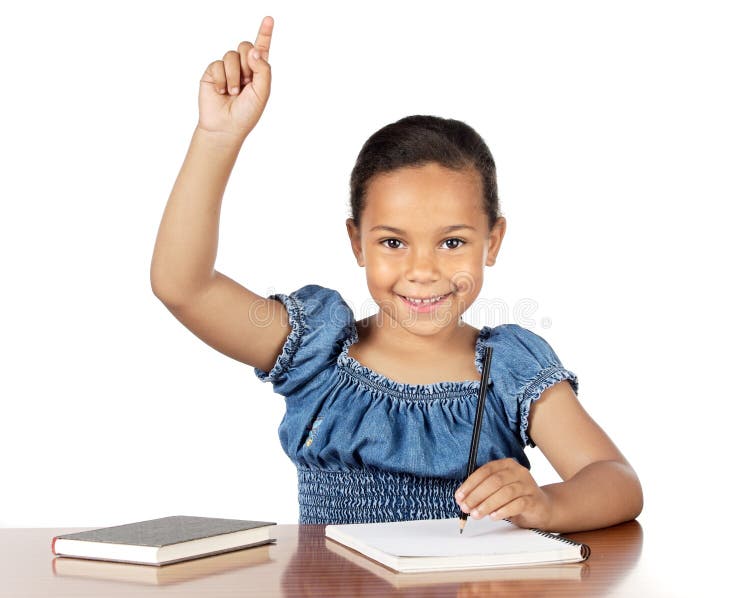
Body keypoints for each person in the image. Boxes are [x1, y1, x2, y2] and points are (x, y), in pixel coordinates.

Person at [150, 16, 643, 533]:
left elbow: (616, 481)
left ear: (492, 242)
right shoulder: (318, 352)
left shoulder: (508, 369)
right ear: (356, 242)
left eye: (452, 242)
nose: (423, 271)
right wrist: (217, 135)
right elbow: (182, 285)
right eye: (393, 242)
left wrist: (549, 503)